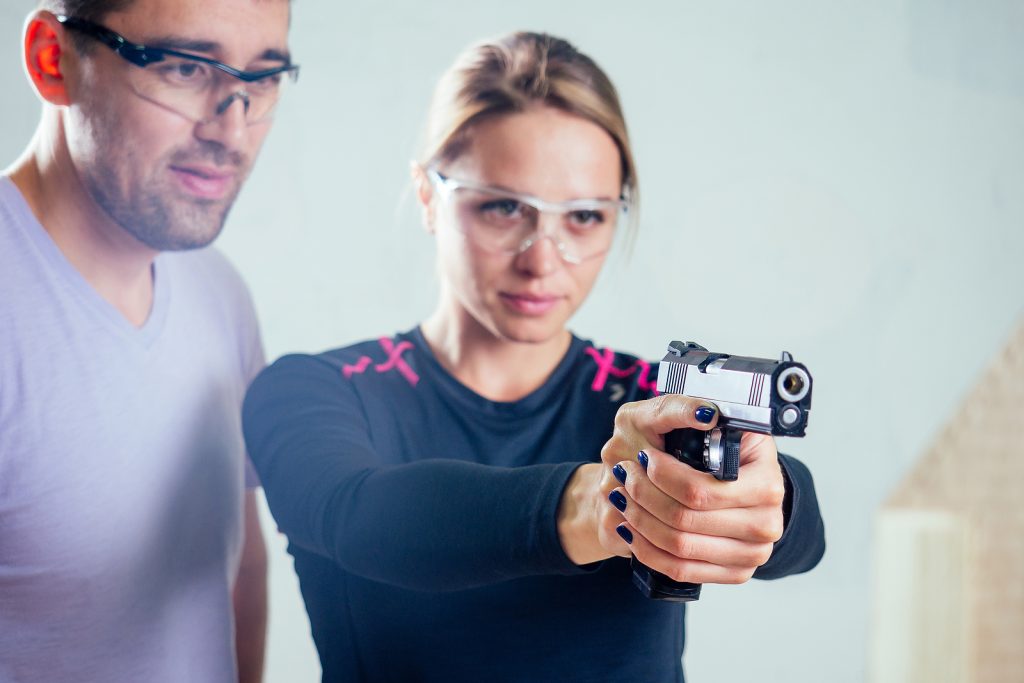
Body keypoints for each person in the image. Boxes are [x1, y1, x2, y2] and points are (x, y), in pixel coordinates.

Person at [243, 32, 825, 682]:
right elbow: (360, 514)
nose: (542, 259)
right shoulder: (312, 391)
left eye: (583, 217)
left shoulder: (648, 403)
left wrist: (772, 498)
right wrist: (604, 503)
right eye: (504, 207)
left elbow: (804, 533)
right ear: (429, 196)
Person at [0, 1, 297, 681]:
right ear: (54, 59)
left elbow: (235, 565)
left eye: (264, 77)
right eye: (186, 67)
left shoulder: (221, 293)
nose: (234, 127)